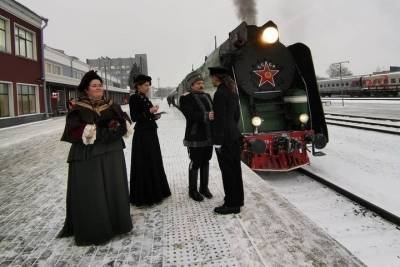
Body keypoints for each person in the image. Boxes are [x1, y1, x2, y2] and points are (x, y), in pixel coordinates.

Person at [58, 70, 133, 246]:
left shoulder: (112, 105)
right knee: (93, 190)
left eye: (100, 85)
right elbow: (73, 130)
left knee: (114, 187)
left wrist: (118, 126)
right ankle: (95, 229)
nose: (98, 88)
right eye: (94, 85)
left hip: (112, 153)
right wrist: (95, 131)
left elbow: (124, 121)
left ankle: (117, 224)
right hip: (89, 156)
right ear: (86, 89)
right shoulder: (78, 108)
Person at [129, 74, 171, 206]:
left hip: (150, 132)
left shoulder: (144, 98)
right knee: (145, 161)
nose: (148, 87)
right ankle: (146, 195)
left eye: (149, 85)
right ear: (138, 85)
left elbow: (147, 115)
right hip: (142, 135)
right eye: (146, 85)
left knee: (154, 159)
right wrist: (149, 111)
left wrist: (155, 115)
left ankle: (157, 190)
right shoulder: (133, 98)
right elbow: (135, 117)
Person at [209, 66, 244, 215]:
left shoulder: (220, 93)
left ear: (217, 77)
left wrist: (217, 140)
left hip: (225, 139)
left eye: (212, 77)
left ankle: (231, 204)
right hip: (234, 135)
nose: (211, 80)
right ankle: (238, 199)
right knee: (235, 170)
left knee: (228, 172)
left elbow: (219, 120)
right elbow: (236, 116)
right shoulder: (232, 91)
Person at [179, 71, 214, 202]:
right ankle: (192, 190)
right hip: (195, 136)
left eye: (202, 82)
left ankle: (204, 188)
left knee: (206, 161)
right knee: (195, 162)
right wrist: (206, 116)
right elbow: (189, 115)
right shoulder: (185, 98)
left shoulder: (207, 96)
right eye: (198, 83)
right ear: (191, 85)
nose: (201, 85)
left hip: (208, 135)